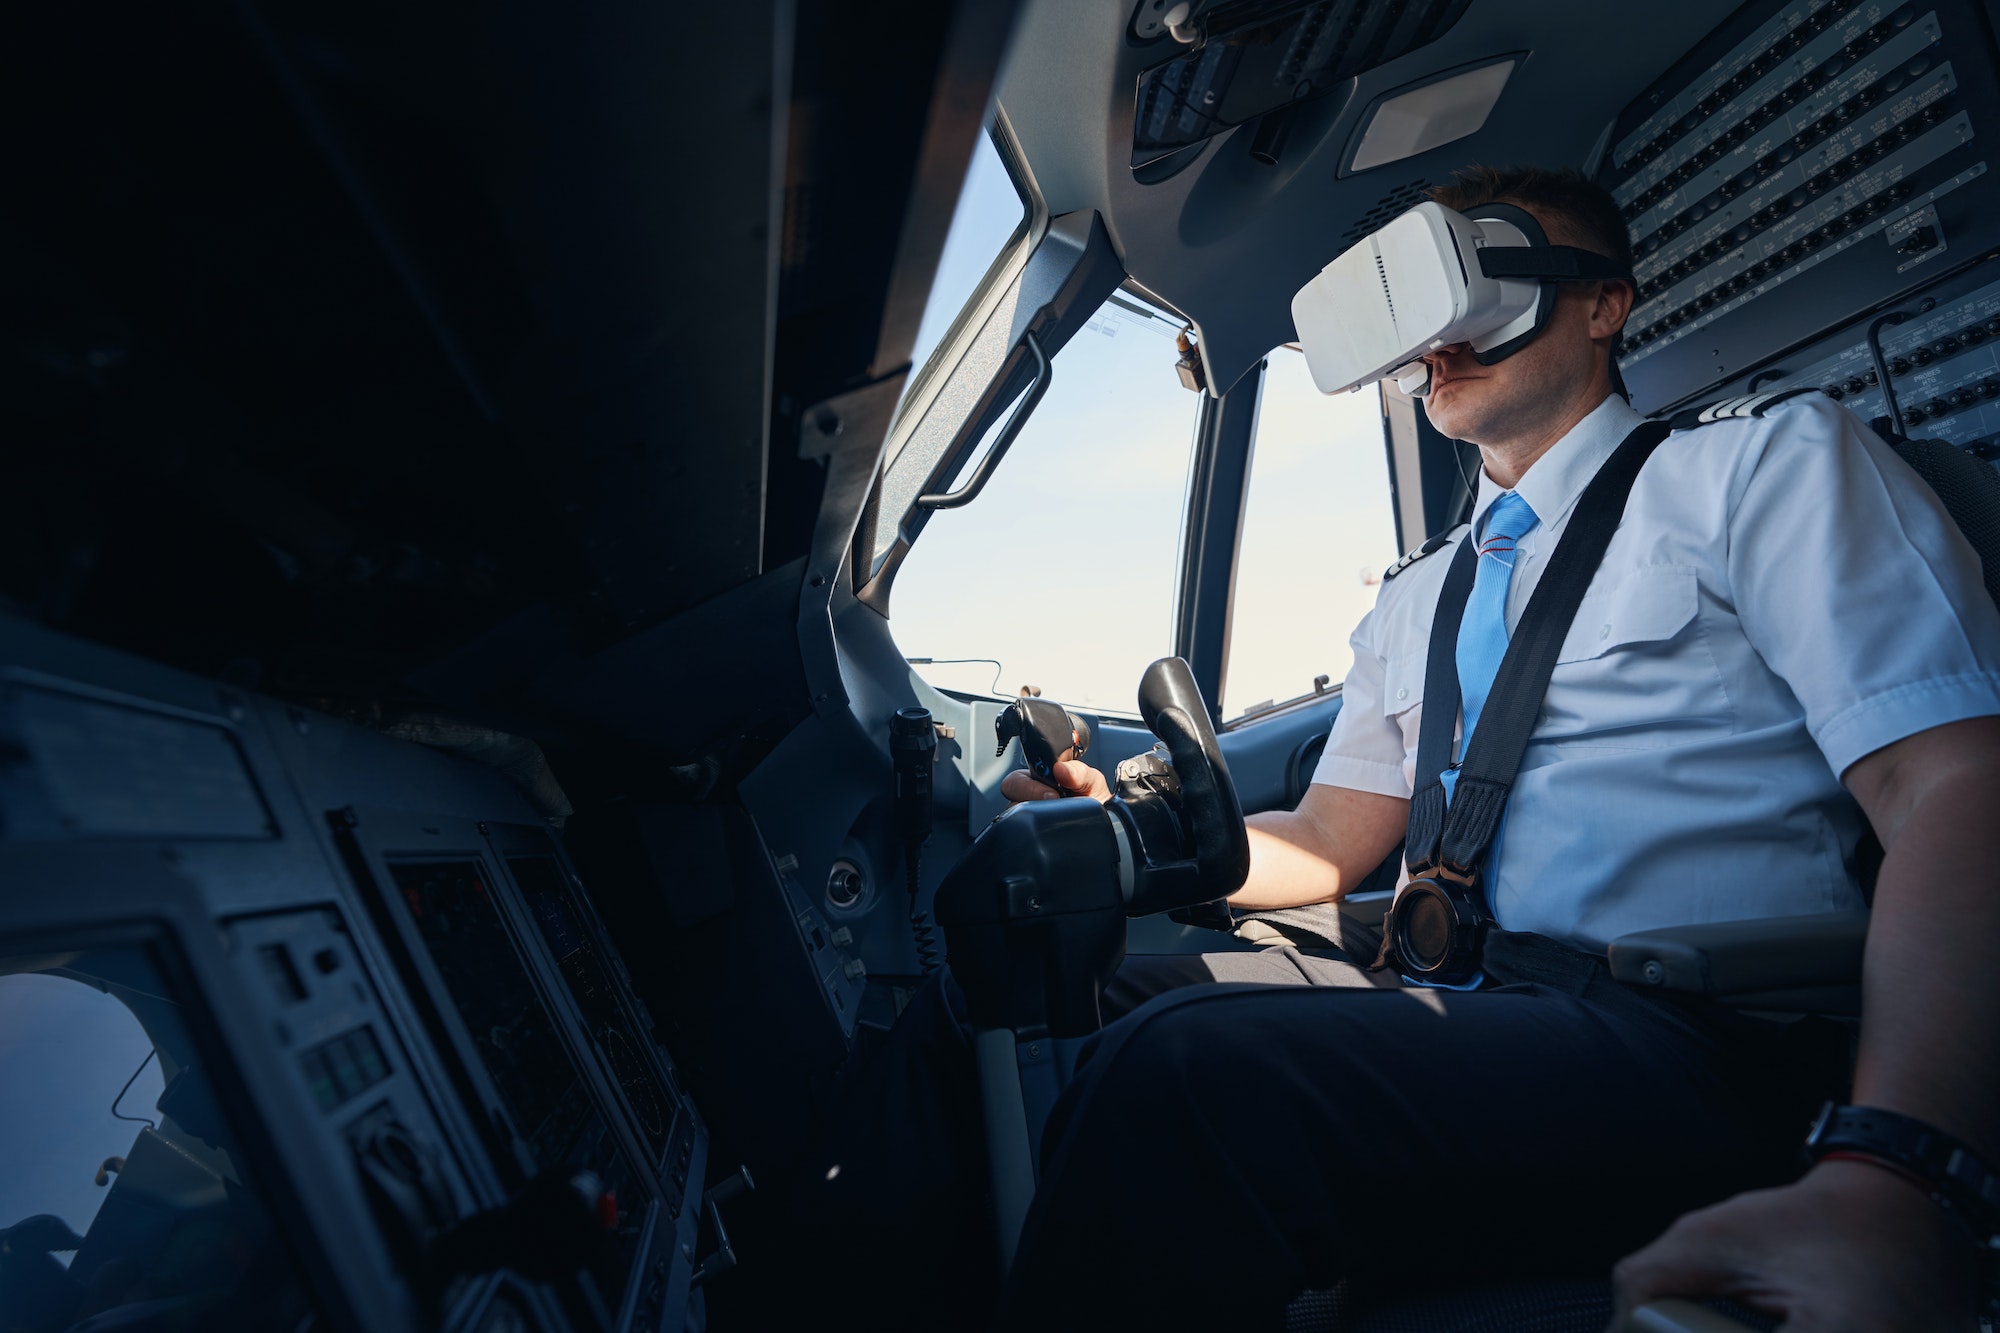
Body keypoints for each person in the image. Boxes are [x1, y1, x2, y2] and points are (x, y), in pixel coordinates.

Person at [993, 166, 2000, 1330]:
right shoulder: (1417, 591)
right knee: (1088, 991)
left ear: (1601, 304)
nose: (1442, 342)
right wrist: (1144, 836)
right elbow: (1326, 844)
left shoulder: (1757, 471)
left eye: (1482, 290)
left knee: (1181, 1075)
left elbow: (1953, 783)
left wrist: (1895, 1169)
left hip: (1681, 1035)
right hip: (1455, 988)